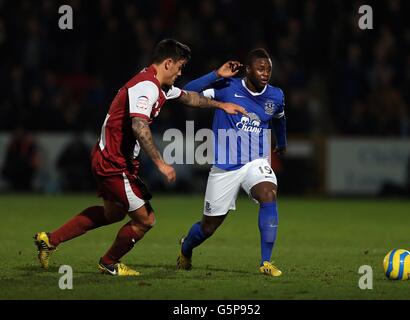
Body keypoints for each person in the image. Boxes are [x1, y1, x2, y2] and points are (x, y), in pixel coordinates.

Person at [34, 39, 246, 276]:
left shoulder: (159, 85)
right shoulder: (146, 87)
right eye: (180, 67)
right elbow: (139, 125)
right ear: (168, 63)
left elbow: (189, 98)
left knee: (112, 214)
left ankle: (49, 240)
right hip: (114, 163)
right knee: (146, 220)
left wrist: (221, 105)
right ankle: (109, 263)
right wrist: (161, 163)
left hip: (110, 158)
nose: (180, 72)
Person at [177, 48, 287, 276]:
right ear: (248, 70)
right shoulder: (227, 87)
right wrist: (216, 74)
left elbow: (279, 119)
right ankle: (186, 247)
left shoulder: (276, 95)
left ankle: (266, 262)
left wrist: (282, 143)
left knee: (269, 194)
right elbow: (185, 92)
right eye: (260, 68)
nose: (265, 73)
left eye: (268, 69)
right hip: (225, 167)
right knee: (208, 227)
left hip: (255, 161)